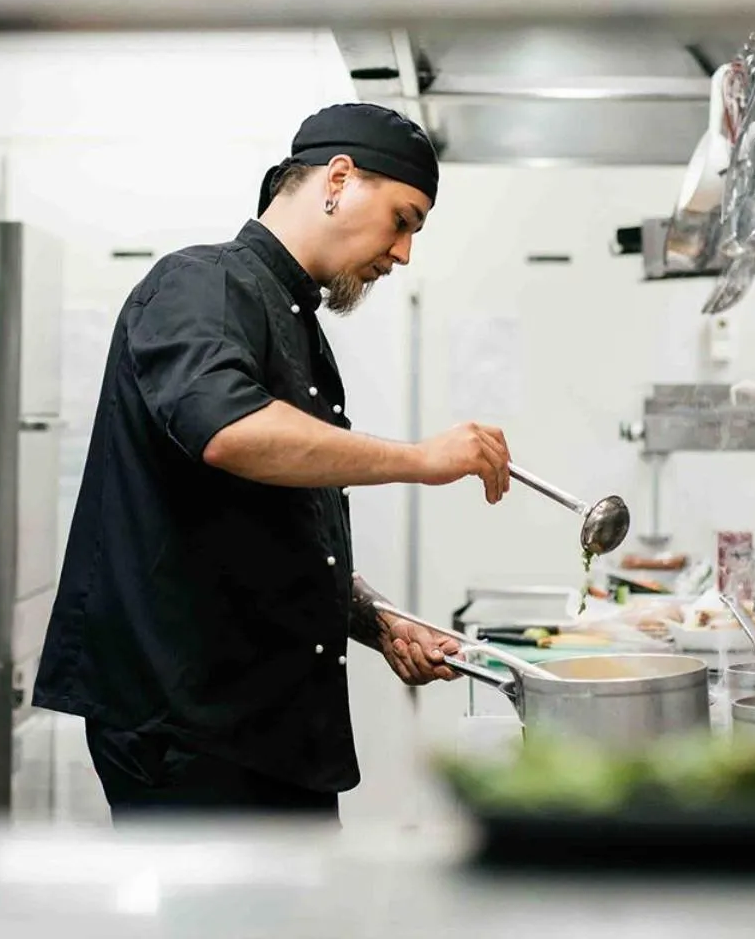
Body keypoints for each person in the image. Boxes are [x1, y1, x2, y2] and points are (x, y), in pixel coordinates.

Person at [34, 102, 513, 817]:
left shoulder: (293, 320)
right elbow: (227, 430)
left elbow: (279, 530)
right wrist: (421, 458)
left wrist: (379, 623)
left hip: (265, 728)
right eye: (403, 219)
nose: (404, 253)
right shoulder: (201, 282)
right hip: (192, 728)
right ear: (340, 179)